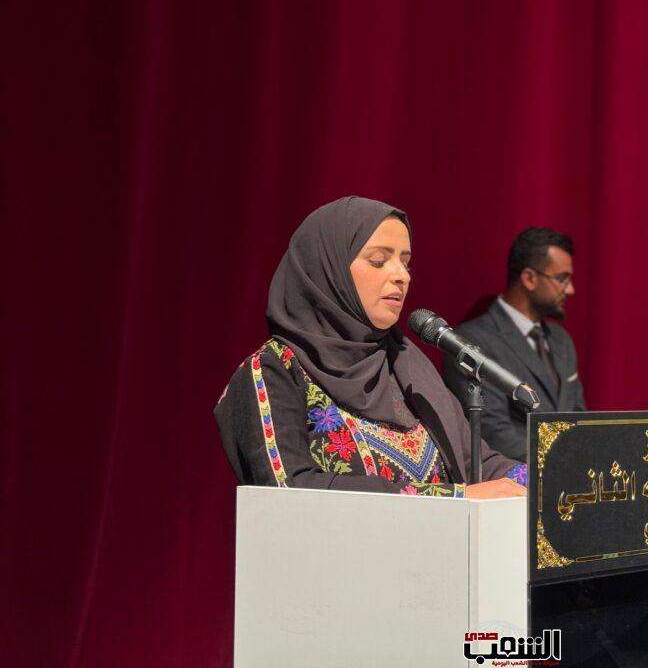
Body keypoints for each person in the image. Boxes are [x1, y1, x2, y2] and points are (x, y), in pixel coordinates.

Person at [214, 197, 527, 498]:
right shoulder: (274, 371)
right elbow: (289, 489)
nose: (401, 276)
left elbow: (479, 465)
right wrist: (454, 497)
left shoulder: (406, 364)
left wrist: (544, 477)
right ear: (329, 268)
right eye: (378, 261)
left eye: (406, 263)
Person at [443, 227, 586, 461]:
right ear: (529, 278)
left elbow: (579, 417)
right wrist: (566, 462)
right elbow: (493, 434)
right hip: (515, 477)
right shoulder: (472, 343)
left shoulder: (562, 341)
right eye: (562, 279)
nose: (570, 290)